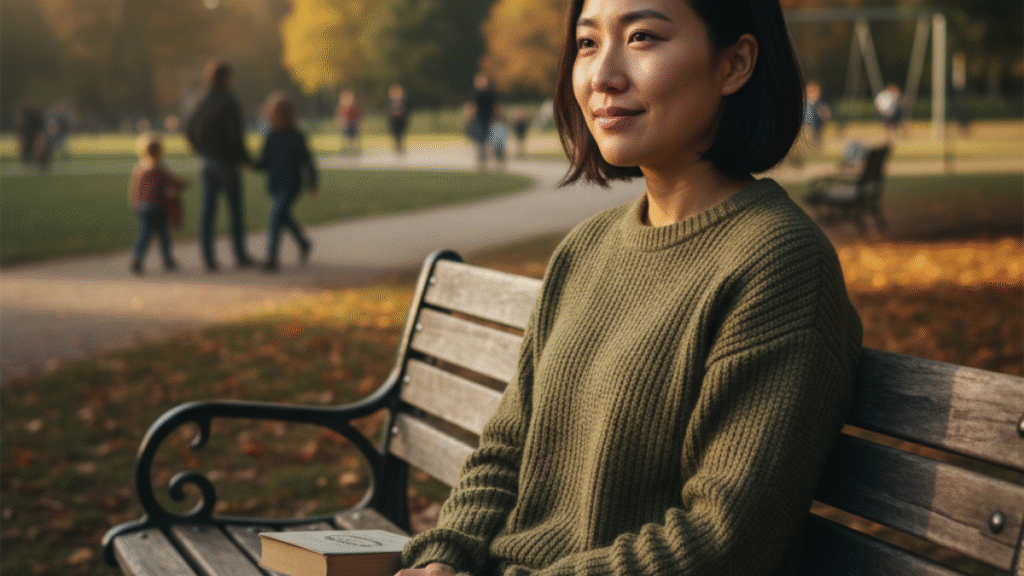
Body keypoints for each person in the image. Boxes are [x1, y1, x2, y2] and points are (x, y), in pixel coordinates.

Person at [398, 0, 862, 575]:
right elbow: (507, 449)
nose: (602, 76)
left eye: (641, 37)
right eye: (588, 43)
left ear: (735, 63)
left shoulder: (777, 263)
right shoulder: (586, 248)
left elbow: (722, 540)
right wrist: (444, 556)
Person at [185, 60, 255, 272]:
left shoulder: (201, 100)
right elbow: (235, 136)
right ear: (226, 78)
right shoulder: (229, 101)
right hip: (226, 162)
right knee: (235, 211)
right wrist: (244, 159)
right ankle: (240, 255)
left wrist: (200, 150)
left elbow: (188, 129)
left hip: (207, 161)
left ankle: (208, 258)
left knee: (208, 212)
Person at [252, 93, 316, 272]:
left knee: (275, 217)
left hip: (292, 184)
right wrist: (250, 164)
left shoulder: (297, 136)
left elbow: (308, 162)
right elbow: (264, 162)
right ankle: (304, 243)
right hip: (275, 185)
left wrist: (312, 184)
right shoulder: (270, 136)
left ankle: (271, 257)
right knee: (284, 217)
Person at [128, 133, 189, 275]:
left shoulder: (140, 168)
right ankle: (163, 259)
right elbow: (170, 182)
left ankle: (140, 258)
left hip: (146, 207)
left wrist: (135, 205)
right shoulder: (160, 169)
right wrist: (182, 184)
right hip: (157, 207)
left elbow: (135, 191)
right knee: (159, 234)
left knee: (149, 234)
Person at [468, 72, 497, 169]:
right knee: (480, 141)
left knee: (487, 141)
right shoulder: (475, 93)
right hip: (479, 119)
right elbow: (472, 107)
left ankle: (486, 161)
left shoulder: (489, 93)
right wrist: (470, 118)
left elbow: (495, 107)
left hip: (488, 119)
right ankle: (481, 162)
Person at [803, 80, 830, 146]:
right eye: (812, 92)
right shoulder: (805, 105)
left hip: (817, 128)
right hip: (807, 129)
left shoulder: (820, 105)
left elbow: (826, 114)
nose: (815, 95)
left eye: (817, 92)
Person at [335, 90, 363, 155]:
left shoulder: (355, 107)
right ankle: (347, 149)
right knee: (346, 133)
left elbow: (359, 117)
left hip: (354, 125)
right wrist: (342, 123)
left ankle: (354, 148)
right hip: (346, 126)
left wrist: (358, 124)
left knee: (354, 134)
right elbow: (338, 117)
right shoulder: (341, 108)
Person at [386, 84, 410, 154]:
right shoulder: (391, 102)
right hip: (393, 120)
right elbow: (388, 111)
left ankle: (401, 146)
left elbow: (407, 110)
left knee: (401, 134)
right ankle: (396, 147)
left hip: (401, 120)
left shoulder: (404, 101)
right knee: (395, 134)